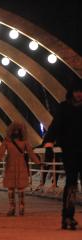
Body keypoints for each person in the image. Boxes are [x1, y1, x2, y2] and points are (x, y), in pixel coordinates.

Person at [43, 80, 82, 230]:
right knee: (71, 182)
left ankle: (68, 216)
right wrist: (48, 145)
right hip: (70, 150)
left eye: (81, 91)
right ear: (71, 92)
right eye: (76, 91)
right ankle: (67, 216)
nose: (79, 94)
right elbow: (55, 126)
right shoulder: (64, 107)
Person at [0, 122, 40, 216]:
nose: (16, 132)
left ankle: (12, 207)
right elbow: (31, 153)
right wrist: (38, 162)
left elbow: (1, 152)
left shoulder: (7, 141)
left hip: (10, 165)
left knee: (11, 188)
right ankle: (21, 207)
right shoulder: (24, 142)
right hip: (21, 165)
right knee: (20, 187)